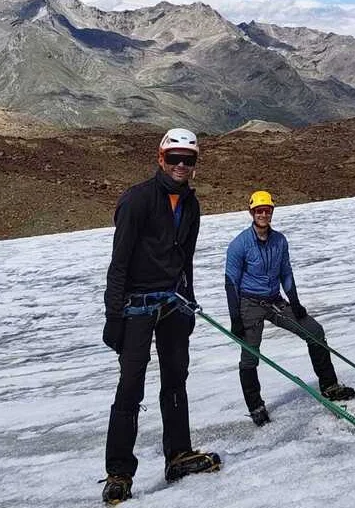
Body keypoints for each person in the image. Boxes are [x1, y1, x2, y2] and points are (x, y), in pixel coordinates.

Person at [100, 128, 220, 505]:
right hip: (135, 305)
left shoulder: (191, 205)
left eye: (189, 160)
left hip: (173, 304)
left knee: (175, 378)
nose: (181, 166)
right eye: (175, 159)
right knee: (130, 387)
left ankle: (178, 454)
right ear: (160, 158)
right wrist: (113, 315)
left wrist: (190, 302)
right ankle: (119, 473)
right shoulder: (137, 200)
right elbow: (118, 263)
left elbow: (186, 260)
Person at [226, 190, 355, 427]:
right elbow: (231, 282)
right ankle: (255, 406)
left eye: (267, 210)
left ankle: (329, 386)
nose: (263, 214)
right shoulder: (239, 244)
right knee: (250, 354)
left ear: (272, 212)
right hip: (249, 303)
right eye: (259, 211)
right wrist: (235, 318)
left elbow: (286, 273)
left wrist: (294, 302)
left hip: (274, 299)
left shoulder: (280, 240)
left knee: (315, 331)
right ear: (251, 212)